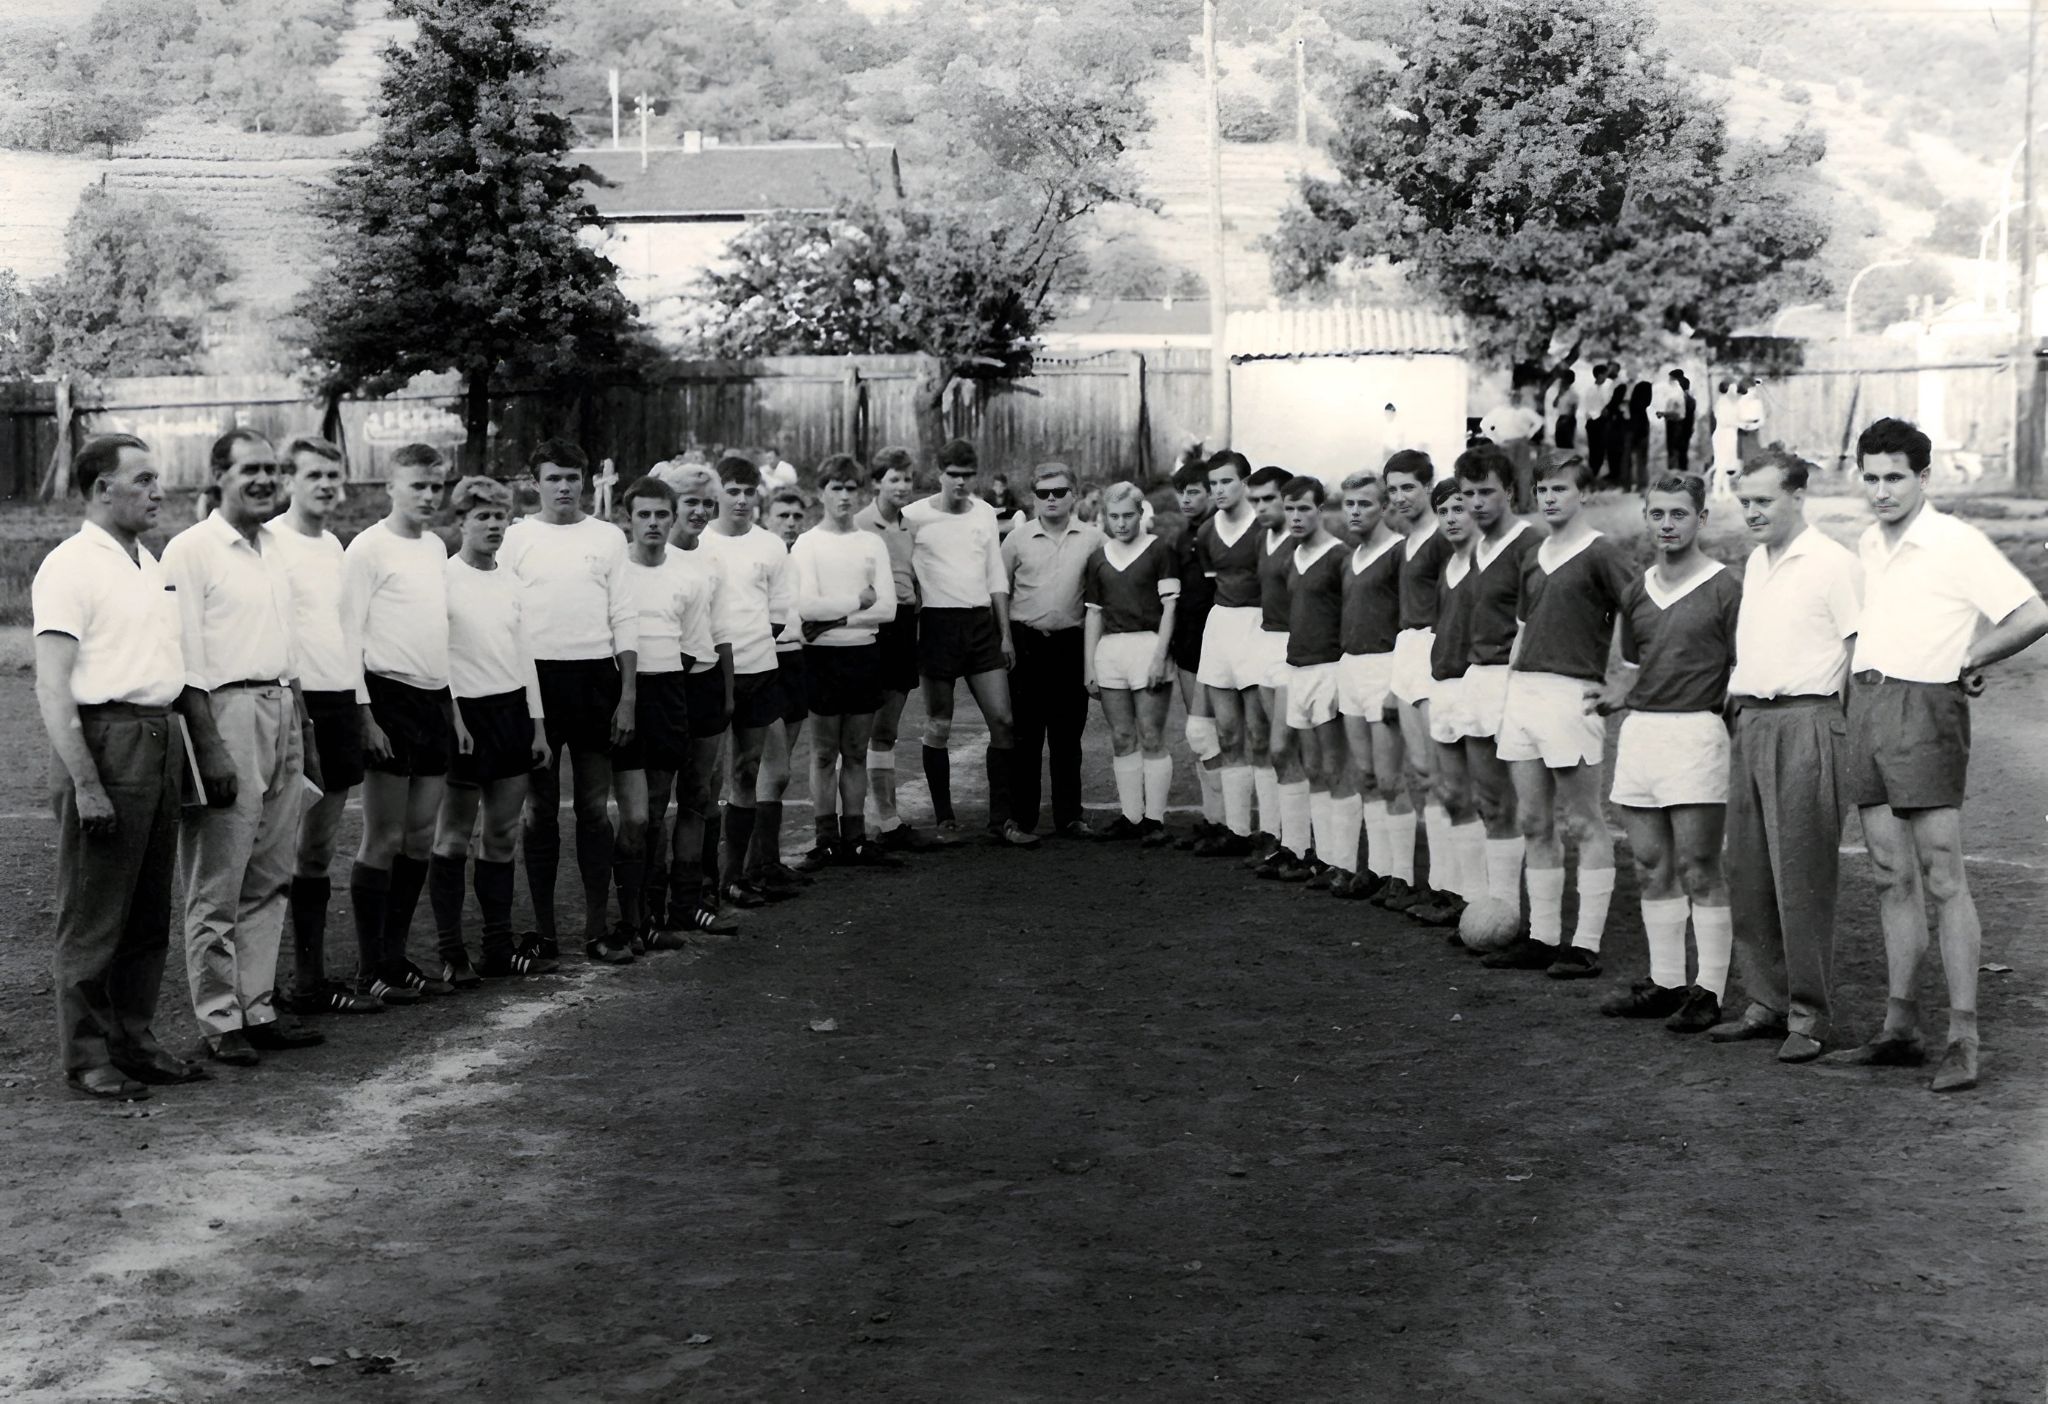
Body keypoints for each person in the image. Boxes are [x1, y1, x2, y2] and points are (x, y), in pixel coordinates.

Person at [1820, 418, 2048, 1093]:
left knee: (1943, 874)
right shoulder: (1866, 540)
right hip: (1868, 703)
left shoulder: (1956, 542)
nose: (1882, 491)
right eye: (1871, 478)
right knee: (1890, 872)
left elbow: (2033, 612)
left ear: (1924, 478)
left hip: (1927, 708)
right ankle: (1900, 1029)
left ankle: (1964, 1037)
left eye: (1895, 477)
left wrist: (1971, 655)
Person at [35, 433, 207, 1099]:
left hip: (158, 738)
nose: (157, 490)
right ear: (102, 488)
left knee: (146, 910)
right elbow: (53, 687)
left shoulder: (148, 562)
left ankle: (134, 1038)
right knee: (94, 910)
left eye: (156, 478)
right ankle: (86, 1055)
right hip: (105, 742)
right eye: (143, 479)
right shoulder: (69, 566)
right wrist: (86, 783)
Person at [162, 429, 323, 1066]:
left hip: (281, 708)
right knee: (217, 880)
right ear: (219, 476)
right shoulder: (191, 550)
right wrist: (210, 748)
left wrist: (303, 731)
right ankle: (219, 1016)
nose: (264, 480)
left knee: (270, 875)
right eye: (249, 469)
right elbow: (184, 662)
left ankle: (257, 1005)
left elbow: (289, 651)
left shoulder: (276, 546)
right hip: (223, 713)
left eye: (271, 470)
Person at [1709, 447, 1860, 1064]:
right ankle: (1766, 1001)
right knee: (1747, 871)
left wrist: (1839, 737)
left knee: (1800, 876)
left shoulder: (1833, 563)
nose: (1752, 512)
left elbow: (1858, 652)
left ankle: (1810, 1014)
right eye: (1745, 501)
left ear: (1798, 497)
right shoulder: (1756, 561)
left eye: (1764, 501)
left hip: (1808, 722)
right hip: (1753, 723)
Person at [1592, 474, 1742, 1031]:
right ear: (1645, 519)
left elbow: (1741, 667)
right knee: (1651, 863)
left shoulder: (1727, 586)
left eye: (1679, 514)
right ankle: (1665, 981)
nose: (1667, 525)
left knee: (1698, 866)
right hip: (1641, 736)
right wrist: (1618, 695)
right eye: (1657, 514)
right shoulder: (1637, 590)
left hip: (1695, 736)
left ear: (1701, 519)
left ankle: (1710, 990)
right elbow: (1633, 665)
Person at [1488, 455, 1633, 978]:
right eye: (1542, 489)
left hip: (1572, 695)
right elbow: (1524, 628)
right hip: (1524, 693)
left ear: (1584, 495)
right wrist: (1508, 686)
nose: (1549, 498)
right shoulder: (1534, 553)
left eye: (1560, 489)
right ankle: (1543, 935)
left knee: (1582, 820)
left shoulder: (1602, 554)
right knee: (1532, 820)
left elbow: (1642, 609)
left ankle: (1586, 944)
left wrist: (1626, 680)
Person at [500, 439, 640, 963]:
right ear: (535, 482)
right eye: (554, 477)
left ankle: (596, 929)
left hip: (594, 683)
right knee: (539, 812)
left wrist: (626, 698)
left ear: (585, 481)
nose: (564, 487)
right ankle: (545, 932)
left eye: (572, 477)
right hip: (535, 685)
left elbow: (624, 618)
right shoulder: (515, 539)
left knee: (592, 809)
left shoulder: (607, 538)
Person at [340, 443, 457, 1005]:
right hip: (387, 699)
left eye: (436, 486)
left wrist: (452, 708)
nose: (429, 496)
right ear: (391, 487)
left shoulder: (436, 547)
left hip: (434, 702)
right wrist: (364, 714)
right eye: (418, 486)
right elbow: (349, 636)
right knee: (383, 837)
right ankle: (369, 968)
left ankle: (395, 954)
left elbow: (437, 634)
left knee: (419, 837)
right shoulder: (367, 548)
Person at [272, 436, 382, 1017]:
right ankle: (263, 984)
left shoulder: (336, 546)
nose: (325, 486)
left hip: (338, 704)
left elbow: (345, 637)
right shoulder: (269, 544)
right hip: (293, 704)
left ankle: (309, 980)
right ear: (290, 479)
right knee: (274, 848)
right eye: (313, 474)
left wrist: (360, 709)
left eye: (333, 476)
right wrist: (297, 711)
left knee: (317, 849)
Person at [428, 477, 554, 979]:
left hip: (511, 716)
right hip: (464, 717)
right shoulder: (442, 579)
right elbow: (438, 656)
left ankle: (497, 948)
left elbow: (526, 659)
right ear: (460, 522)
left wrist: (538, 727)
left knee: (501, 835)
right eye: (482, 516)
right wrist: (454, 716)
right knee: (453, 837)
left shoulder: (512, 582)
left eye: (500, 516)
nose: (494, 525)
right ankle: (450, 952)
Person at [904, 438, 1034, 847]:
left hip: (981, 626)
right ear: (938, 474)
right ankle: (945, 820)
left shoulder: (982, 512)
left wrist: (1005, 634)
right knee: (939, 724)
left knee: (1003, 720)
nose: (960, 482)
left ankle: (1001, 821)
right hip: (938, 628)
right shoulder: (913, 517)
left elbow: (995, 573)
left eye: (966, 475)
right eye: (952, 475)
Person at [641, 465, 741, 937]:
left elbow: (721, 634)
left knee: (698, 795)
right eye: (691, 502)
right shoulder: (645, 558)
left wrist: (725, 693)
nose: (700, 512)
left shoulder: (713, 561)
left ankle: (690, 902)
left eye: (707, 503)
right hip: (661, 686)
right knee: (655, 800)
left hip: (702, 687)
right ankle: (649, 906)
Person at [792, 454, 901, 865]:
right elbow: (806, 607)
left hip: (863, 657)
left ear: (860, 493)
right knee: (823, 753)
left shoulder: (872, 543)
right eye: (835, 488)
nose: (843, 496)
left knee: (855, 751)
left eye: (850, 488)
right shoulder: (808, 543)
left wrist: (837, 616)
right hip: (821, 660)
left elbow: (887, 609)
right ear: (821, 493)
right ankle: (826, 839)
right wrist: (857, 602)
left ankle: (854, 837)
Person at [699, 454, 799, 901]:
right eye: (732, 491)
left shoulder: (771, 546)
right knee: (704, 777)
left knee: (747, 770)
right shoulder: (698, 543)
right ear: (717, 492)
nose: (740, 500)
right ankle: (699, 881)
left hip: (759, 672)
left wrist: (751, 649)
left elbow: (778, 615)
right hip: (707, 674)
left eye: (748, 491)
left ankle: (734, 877)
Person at [1454, 445, 1543, 943]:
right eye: (1468, 494)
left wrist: (1518, 673)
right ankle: (1499, 911)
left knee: (1528, 809)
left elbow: (1535, 620)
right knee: (1489, 800)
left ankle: (1534, 921)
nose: (1477, 503)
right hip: (1477, 679)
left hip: (1515, 680)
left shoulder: (1528, 542)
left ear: (1510, 491)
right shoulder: (1476, 547)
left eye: (1487, 491)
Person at [1003, 461, 1105, 839]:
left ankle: (1069, 816)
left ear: (1073, 495)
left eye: (1059, 492)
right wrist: (1006, 639)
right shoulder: (1016, 539)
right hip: (1027, 644)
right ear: (1033, 498)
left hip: (1070, 645)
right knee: (1026, 738)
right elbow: (1002, 592)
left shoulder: (1094, 539)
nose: (1051, 499)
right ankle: (1022, 819)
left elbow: (1103, 592)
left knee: (1067, 738)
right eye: (1043, 493)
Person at [1386, 451, 1462, 922]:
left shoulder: (1440, 539)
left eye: (1409, 487)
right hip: (1406, 650)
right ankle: (1439, 881)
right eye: (1392, 489)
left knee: (1444, 774)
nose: (1400, 497)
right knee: (1420, 770)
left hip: (1435, 648)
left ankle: (1454, 886)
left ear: (1429, 487)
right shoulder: (1406, 540)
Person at [1082, 481, 1180, 842]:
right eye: (1114, 516)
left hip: (1149, 645)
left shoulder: (1159, 551)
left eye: (1128, 516)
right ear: (1104, 517)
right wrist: (1090, 666)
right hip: (1111, 650)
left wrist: (1160, 657)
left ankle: (1155, 820)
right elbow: (1093, 615)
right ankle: (1131, 816)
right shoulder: (1098, 557)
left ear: (1141, 514)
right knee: (1122, 736)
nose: (1121, 523)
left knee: (1151, 735)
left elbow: (1170, 606)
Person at [1277, 475, 1355, 888]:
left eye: (1304, 508)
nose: (1295, 516)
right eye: (1289, 509)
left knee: (1335, 766)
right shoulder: (1293, 555)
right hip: (1298, 669)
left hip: (1329, 668)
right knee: (1313, 768)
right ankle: (1324, 858)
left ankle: (1346, 862)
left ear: (1321, 510)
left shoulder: (1340, 555)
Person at [1191, 451, 1268, 857]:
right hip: (1221, 626)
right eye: (1214, 483)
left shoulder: (1264, 528)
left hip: (1257, 626)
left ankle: (1272, 834)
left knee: (1260, 733)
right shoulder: (1206, 532)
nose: (1219, 490)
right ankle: (1237, 831)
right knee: (1228, 733)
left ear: (1245, 483)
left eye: (1226, 482)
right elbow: (1209, 587)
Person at [1334, 471, 1404, 901]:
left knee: (1390, 776)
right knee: (1365, 775)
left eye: (1365, 503)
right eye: (1349, 504)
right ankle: (1378, 867)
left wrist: (1397, 680)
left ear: (1385, 507)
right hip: (1352, 667)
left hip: (1385, 666)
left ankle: (1400, 873)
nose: (1356, 511)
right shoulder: (1349, 557)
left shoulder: (1399, 554)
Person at [855, 446, 924, 849]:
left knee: (887, 728)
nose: (902, 486)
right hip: (871, 628)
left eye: (907, 479)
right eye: (894, 479)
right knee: (862, 726)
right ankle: (863, 820)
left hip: (904, 627)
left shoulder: (911, 527)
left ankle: (888, 819)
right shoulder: (860, 524)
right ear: (877, 482)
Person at [1423, 479, 1486, 923]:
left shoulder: (1491, 564)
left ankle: (1489, 897)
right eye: (1443, 511)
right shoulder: (1448, 564)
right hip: (1443, 684)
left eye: (1459, 509)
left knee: (1488, 797)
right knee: (1452, 794)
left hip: (1477, 684)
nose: (1451, 519)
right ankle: (1465, 895)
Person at [1247, 464, 1309, 877]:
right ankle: (1292, 843)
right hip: (1265, 643)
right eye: (1255, 501)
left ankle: (1305, 849)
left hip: (1295, 649)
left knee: (1288, 748)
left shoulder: (1303, 543)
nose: (1261, 508)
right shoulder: (1263, 539)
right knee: (1275, 749)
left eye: (1269, 499)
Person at [753, 485, 814, 889]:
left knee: (780, 769)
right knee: (769, 770)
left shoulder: (804, 558)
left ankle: (766, 861)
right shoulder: (757, 555)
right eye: (782, 516)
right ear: (767, 516)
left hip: (797, 661)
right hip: (764, 664)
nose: (790, 524)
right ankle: (755, 864)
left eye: (796, 517)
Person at [1165, 448, 1226, 846]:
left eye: (1193, 492)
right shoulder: (1178, 539)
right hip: (1189, 643)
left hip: (1223, 640)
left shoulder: (1223, 532)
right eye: (1181, 493)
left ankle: (1235, 822)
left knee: (1230, 733)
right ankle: (1214, 818)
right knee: (1201, 733)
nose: (1186, 500)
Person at [1657, 370, 1696, 476]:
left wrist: (1663, 414)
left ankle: (1674, 476)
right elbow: (1690, 416)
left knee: (1673, 452)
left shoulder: (1675, 398)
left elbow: (1677, 414)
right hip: (1686, 428)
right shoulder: (1692, 400)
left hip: (1675, 427)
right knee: (1683, 453)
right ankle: (1683, 474)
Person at [1627, 377, 1655, 491]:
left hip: (1632, 430)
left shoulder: (1633, 404)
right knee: (1642, 459)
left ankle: (1633, 483)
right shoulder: (1645, 407)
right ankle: (1642, 483)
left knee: (1634, 459)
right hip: (1642, 431)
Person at [1549, 370, 1580, 452]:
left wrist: (1565, 421)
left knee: (1567, 443)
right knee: (1559, 443)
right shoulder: (1561, 392)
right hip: (1560, 418)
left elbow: (1573, 410)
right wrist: (1559, 394)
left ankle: (1568, 462)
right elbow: (1554, 405)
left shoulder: (1573, 393)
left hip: (1568, 419)